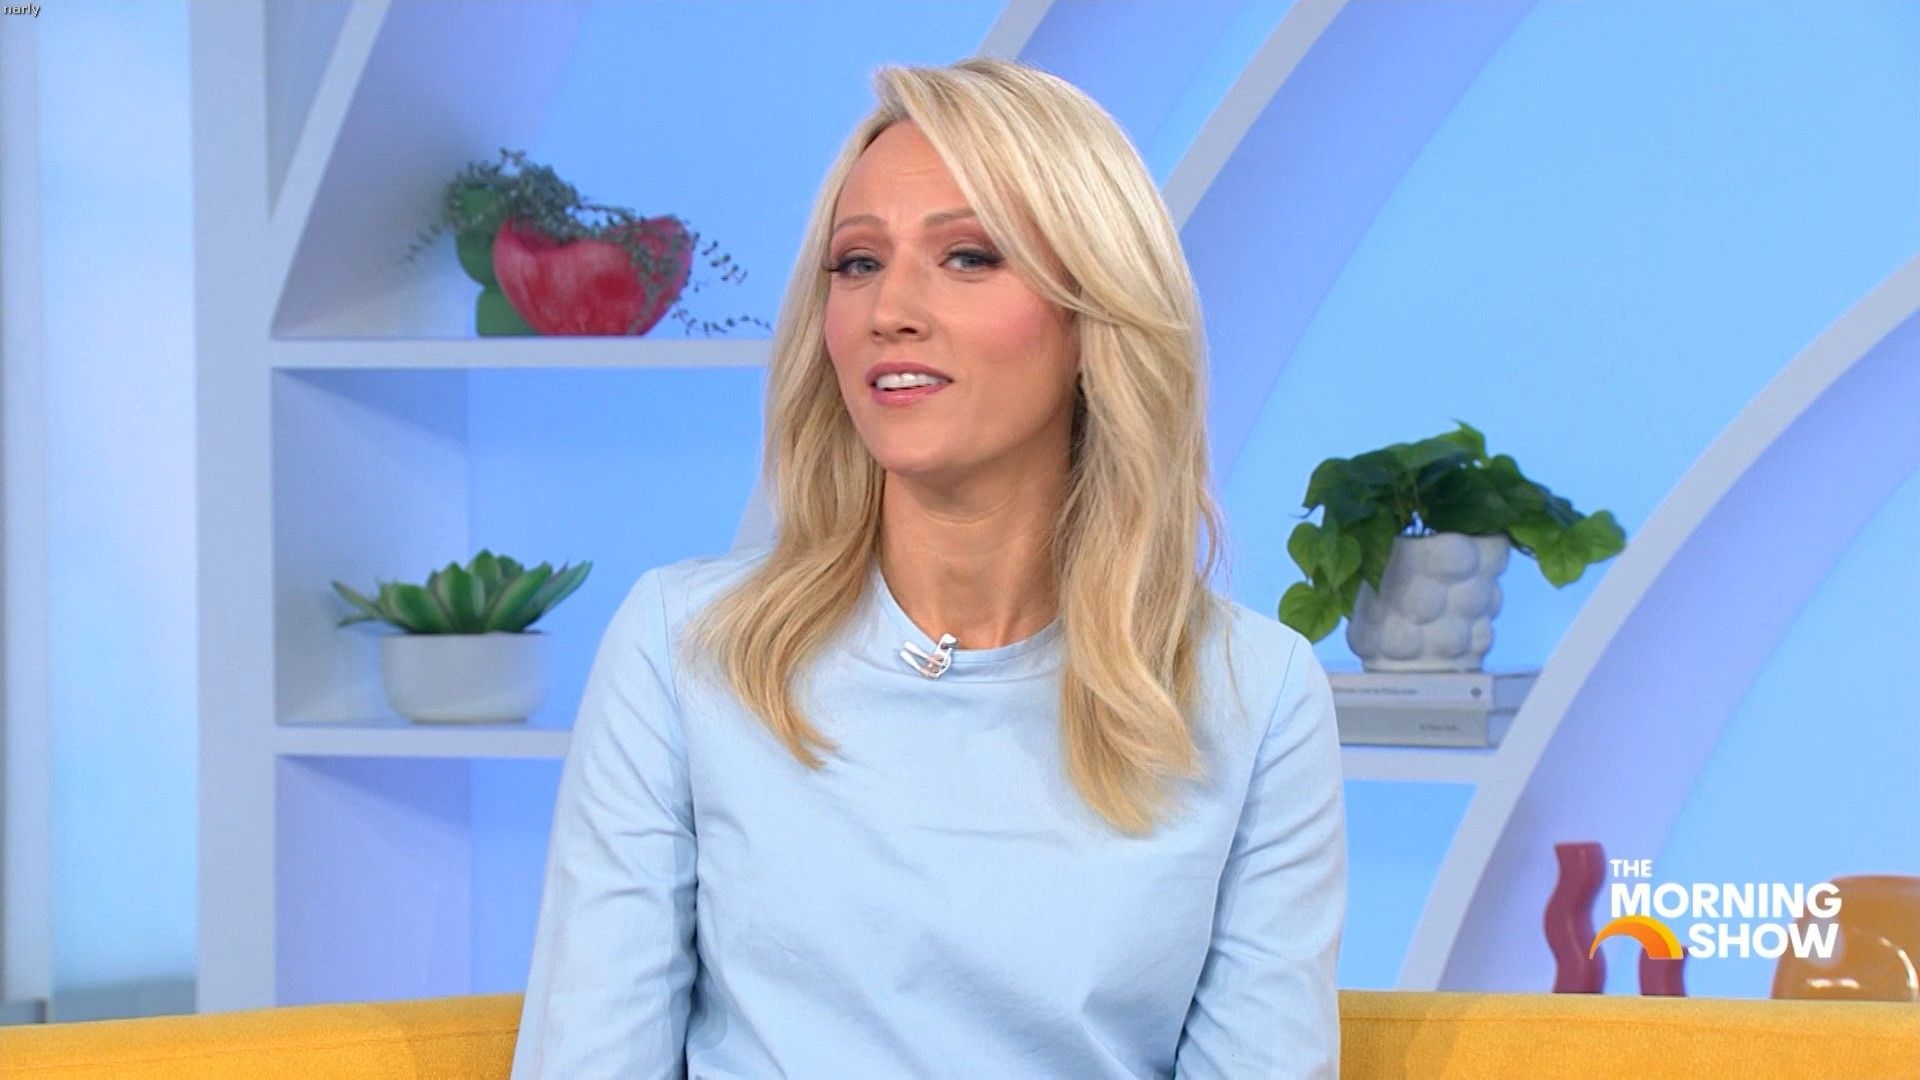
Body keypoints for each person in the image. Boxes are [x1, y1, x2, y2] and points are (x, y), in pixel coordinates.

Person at [510, 56, 1346, 1079]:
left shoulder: (1256, 695)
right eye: (858, 263)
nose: (889, 309)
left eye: (968, 256)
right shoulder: (683, 647)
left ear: (1094, 316)